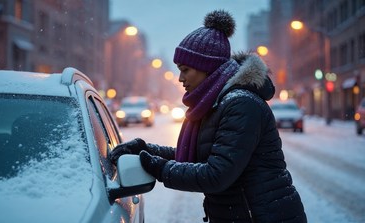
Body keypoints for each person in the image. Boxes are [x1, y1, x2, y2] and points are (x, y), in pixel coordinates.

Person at [110, 10, 307, 223]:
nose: (180, 78)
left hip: (262, 217)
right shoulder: (217, 102)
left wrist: (158, 167)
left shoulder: (240, 104)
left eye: (186, 70)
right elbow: (196, 154)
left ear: (207, 67)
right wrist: (145, 149)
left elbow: (216, 174)